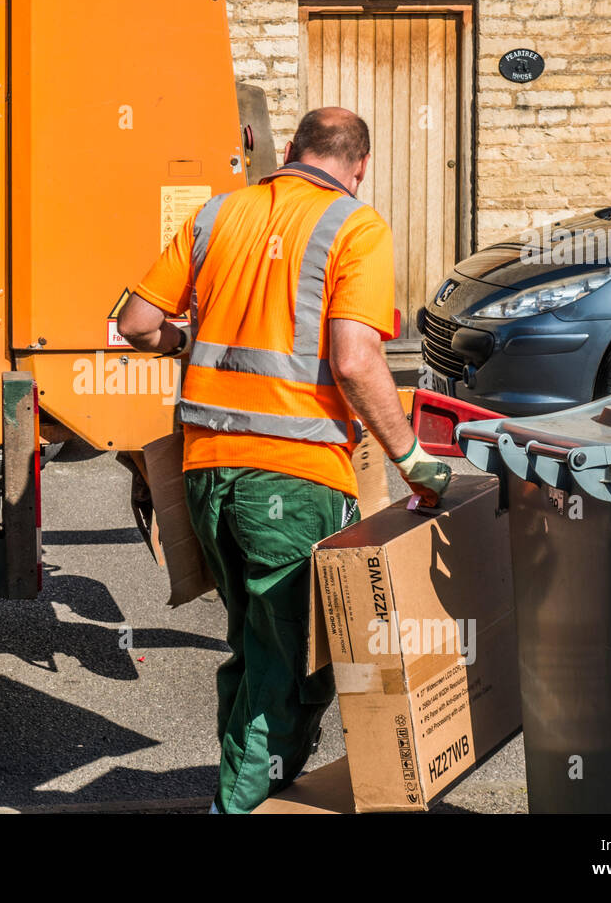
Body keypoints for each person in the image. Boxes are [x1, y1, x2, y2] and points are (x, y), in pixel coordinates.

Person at [117, 106, 452, 813]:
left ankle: (251, 785)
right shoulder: (356, 226)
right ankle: (240, 805)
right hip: (295, 478)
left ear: (293, 149)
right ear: (360, 166)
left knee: (255, 648)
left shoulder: (217, 215)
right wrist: (414, 460)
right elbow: (358, 363)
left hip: (207, 474)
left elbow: (137, 325)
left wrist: (186, 342)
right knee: (296, 663)